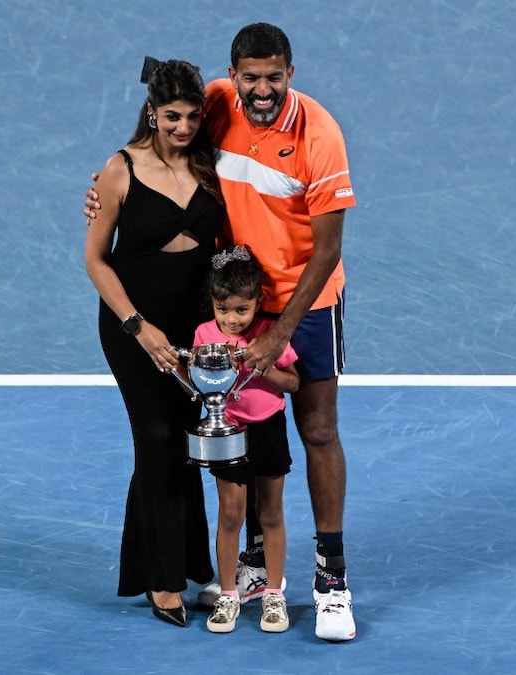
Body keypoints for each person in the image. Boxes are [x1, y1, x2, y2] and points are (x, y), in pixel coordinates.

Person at [87, 24, 358, 641]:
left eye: (275, 76)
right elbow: (161, 131)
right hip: (235, 307)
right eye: (251, 77)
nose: (262, 89)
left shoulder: (320, 135)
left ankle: (332, 579)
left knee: (316, 430)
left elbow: (327, 250)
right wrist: (105, 191)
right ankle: (256, 567)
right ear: (233, 76)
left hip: (303, 305)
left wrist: (274, 333)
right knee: (250, 429)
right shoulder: (213, 103)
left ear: (291, 71)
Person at [83, 58, 224, 628]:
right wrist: (139, 328)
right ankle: (160, 581)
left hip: (193, 329)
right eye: (172, 116)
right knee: (158, 437)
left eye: (192, 116)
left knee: (186, 443)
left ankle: (188, 563)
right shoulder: (119, 170)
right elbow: (95, 260)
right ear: (152, 112)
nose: (183, 127)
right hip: (133, 324)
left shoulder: (211, 165)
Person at [194, 245, 299, 634]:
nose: (232, 319)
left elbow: (293, 382)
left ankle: (273, 593)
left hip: (268, 428)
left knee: (270, 513)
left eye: (242, 310)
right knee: (230, 514)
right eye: (224, 310)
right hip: (228, 431)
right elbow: (200, 382)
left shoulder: (269, 335)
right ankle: (227, 595)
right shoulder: (204, 335)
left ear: (259, 302)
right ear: (213, 304)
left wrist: (265, 367)